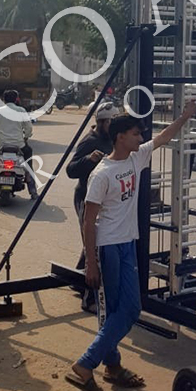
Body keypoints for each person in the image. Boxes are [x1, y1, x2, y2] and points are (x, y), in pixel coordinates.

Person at [67, 100, 196, 391]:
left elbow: (163, 137)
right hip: (108, 247)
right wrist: (91, 263)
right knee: (121, 310)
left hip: (128, 243)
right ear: (120, 137)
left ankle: (107, 366)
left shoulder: (136, 158)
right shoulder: (101, 174)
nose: (141, 138)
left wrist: (184, 117)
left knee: (123, 309)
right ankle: (89, 364)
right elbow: (88, 221)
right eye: (136, 134)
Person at [65, 100, 118, 312]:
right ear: (102, 122)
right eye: (111, 123)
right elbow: (70, 170)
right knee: (94, 246)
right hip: (86, 198)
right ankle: (89, 299)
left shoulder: (112, 139)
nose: (113, 127)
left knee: (93, 243)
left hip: (104, 200)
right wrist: (89, 159)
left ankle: (78, 279)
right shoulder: (90, 141)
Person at [0, 89, 37, 198]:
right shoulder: (21, 110)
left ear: (3, 100)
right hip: (19, 145)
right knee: (28, 152)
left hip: (0, 144)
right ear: (16, 99)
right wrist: (25, 137)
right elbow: (29, 128)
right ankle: (29, 178)